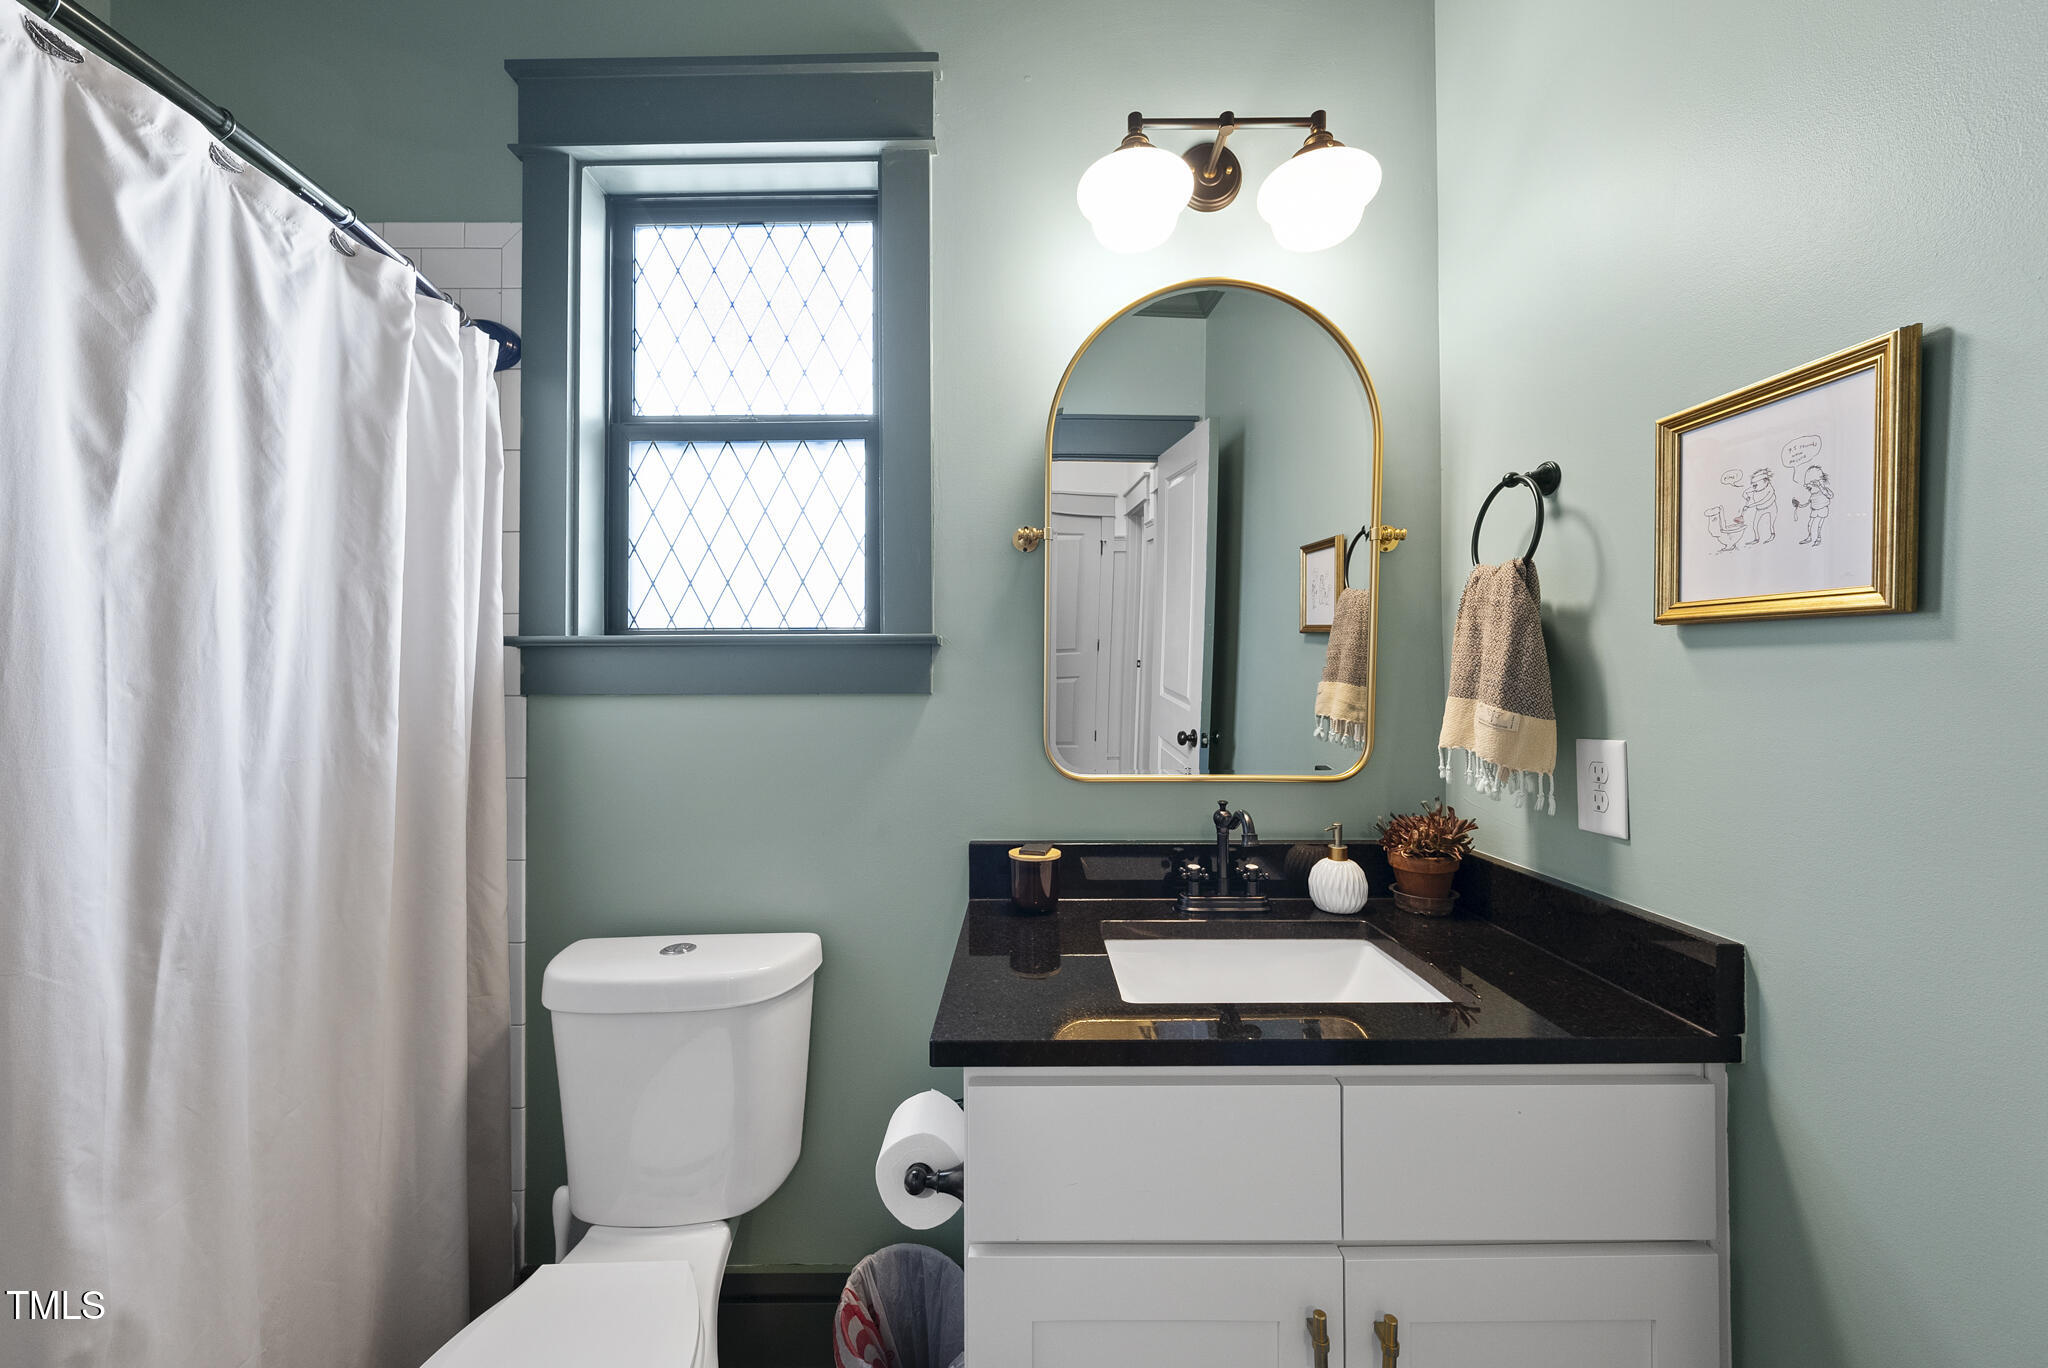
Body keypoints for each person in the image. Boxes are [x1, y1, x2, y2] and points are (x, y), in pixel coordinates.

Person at [1793, 465, 1833, 545]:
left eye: (1811, 484)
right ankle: (1809, 537)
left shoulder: (1824, 490)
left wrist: (1820, 486)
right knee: (1810, 524)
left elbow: (1830, 496)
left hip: (1823, 509)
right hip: (1814, 510)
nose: (1808, 487)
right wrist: (1798, 505)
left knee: (1819, 525)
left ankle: (1818, 537)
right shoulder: (1812, 496)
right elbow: (1806, 504)